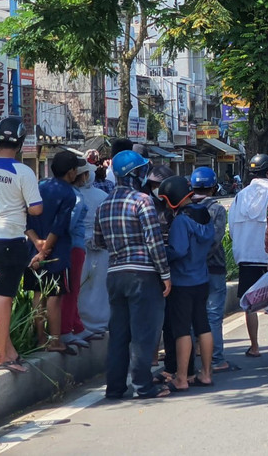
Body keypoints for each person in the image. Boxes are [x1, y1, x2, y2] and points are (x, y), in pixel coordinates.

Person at [95, 150, 172, 399]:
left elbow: (99, 241)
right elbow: (154, 241)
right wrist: (165, 274)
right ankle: (144, 386)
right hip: (143, 275)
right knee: (143, 334)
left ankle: (115, 388)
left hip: (115, 275)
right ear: (134, 173)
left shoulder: (104, 204)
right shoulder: (142, 200)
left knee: (118, 334)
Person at [0, 117, 44, 372]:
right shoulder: (22, 171)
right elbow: (36, 209)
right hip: (8, 240)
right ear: (21, 143)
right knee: (4, 298)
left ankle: (8, 349)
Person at [159, 176, 215, 391]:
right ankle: (207, 374)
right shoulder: (205, 214)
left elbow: (179, 250)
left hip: (182, 282)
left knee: (182, 330)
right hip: (202, 278)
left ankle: (182, 378)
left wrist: (161, 252)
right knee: (203, 326)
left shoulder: (182, 220)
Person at [28, 150, 81, 354]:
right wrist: (45, 250)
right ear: (71, 172)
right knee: (54, 297)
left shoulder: (40, 186)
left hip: (33, 249)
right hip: (56, 253)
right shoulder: (68, 193)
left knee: (38, 294)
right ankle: (55, 340)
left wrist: (37, 246)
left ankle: (40, 338)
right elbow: (59, 227)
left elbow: (27, 220)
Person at [228, 153, 268, 360]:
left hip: (246, 256)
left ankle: (254, 346)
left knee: (249, 304)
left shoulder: (239, 196)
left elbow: (231, 227)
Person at [189, 167, 230, 374]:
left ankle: (188, 361)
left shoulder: (185, 207)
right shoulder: (217, 209)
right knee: (213, 315)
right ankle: (216, 359)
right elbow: (215, 240)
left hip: (189, 269)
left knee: (189, 314)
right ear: (213, 187)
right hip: (213, 267)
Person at [70, 159, 109, 344]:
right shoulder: (101, 195)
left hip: (77, 247)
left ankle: (79, 325)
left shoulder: (72, 195)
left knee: (80, 288)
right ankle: (99, 324)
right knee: (99, 288)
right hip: (100, 247)